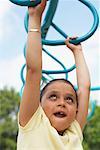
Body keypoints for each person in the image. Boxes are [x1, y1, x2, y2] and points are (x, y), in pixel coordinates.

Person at [17, 0, 91, 149]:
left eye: (70, 99)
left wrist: (78, 52)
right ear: (39, 103)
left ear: (77, 109)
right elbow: (33, 71)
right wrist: (34, 18)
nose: (62, 103)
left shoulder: (74, 133)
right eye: (53, 96)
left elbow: (84, 88)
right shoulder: (33, 122)